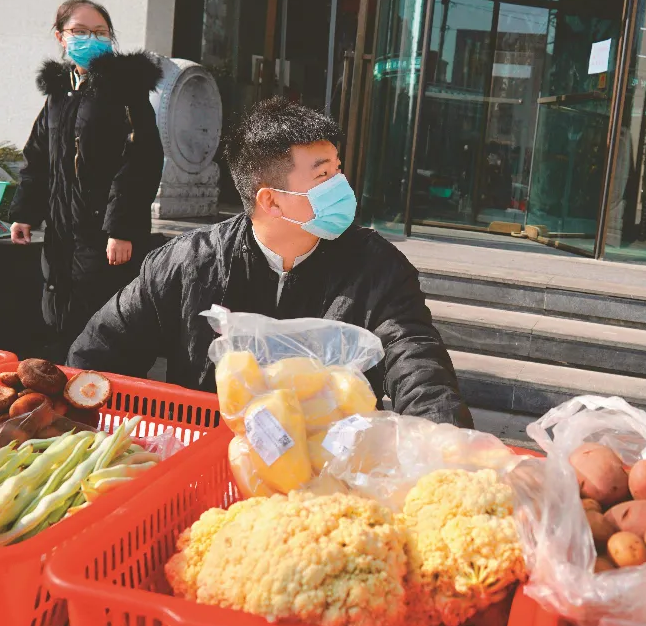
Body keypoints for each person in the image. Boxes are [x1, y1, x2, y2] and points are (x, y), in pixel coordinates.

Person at [67, 96, 473, 428]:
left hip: (328, 473)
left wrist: (445, 443)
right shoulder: (189, 263)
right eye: (322, 176)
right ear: (271, 200)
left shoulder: (378, 268)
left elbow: (419, 365)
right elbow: (95, 355)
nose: (341, 187)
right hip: (208, 458)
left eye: (338, 170)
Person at [10, 0, 165, 361]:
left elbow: (141, 162)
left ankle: (105, 397)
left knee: (104, 317)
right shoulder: (60, 92)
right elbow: (38, 157)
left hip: (104, 234)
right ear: (60, 37)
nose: (89, 39)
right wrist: (25, 213)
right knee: (59, 310)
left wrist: (121, 229)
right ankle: (66, 390)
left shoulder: (124, 89)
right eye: (79, 31)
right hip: (62, 230)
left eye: (99, 32)